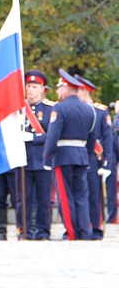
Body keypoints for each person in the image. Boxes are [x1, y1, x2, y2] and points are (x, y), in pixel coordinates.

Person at [43, 69, 96, 240]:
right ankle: (85, 231)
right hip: (81, 155)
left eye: (59, 88)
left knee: (65, 196)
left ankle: (71, 232)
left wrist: (47, 157)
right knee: (80, 196)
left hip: (63, 155)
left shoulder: (60, 107)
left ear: (66, 88)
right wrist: (88, 157)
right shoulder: (89, 109)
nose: (57, 91)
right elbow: (92, 137)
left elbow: (53, 135)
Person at [17, 70, 55, 240]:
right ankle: (24, 230)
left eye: (34, 86)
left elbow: (53, 134)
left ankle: (43, 231)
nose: (30, 90)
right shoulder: (18, 109)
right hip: (22, 158)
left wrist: (33, 137)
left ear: (42, 89)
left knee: (43, 199)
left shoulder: (50, 109)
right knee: (23, 199)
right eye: (28, 86)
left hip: (42, 159)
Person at [75, 75, 113, 240]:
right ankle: (77, 228)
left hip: (93, 159)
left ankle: (96, 228)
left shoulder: (100, 110)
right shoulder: (74, 109)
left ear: (84, 91)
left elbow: (107, 139)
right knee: (76, 194)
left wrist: (106, 164)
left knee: (93, 196)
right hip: (76, 156)